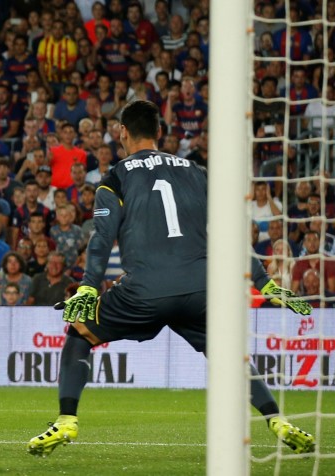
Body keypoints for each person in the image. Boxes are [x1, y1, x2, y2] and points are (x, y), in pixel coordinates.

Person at [26, 100, 314, 457]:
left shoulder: (115, 177)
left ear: (122, 133)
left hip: (144, 291)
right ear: (160, 132)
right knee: (231, 355)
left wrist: (88, 285)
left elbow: (102, 237)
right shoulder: (198, 172)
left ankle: (67, 419)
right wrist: (263, 282)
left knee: (79, 333)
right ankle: (275, 418)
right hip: (199, 289)